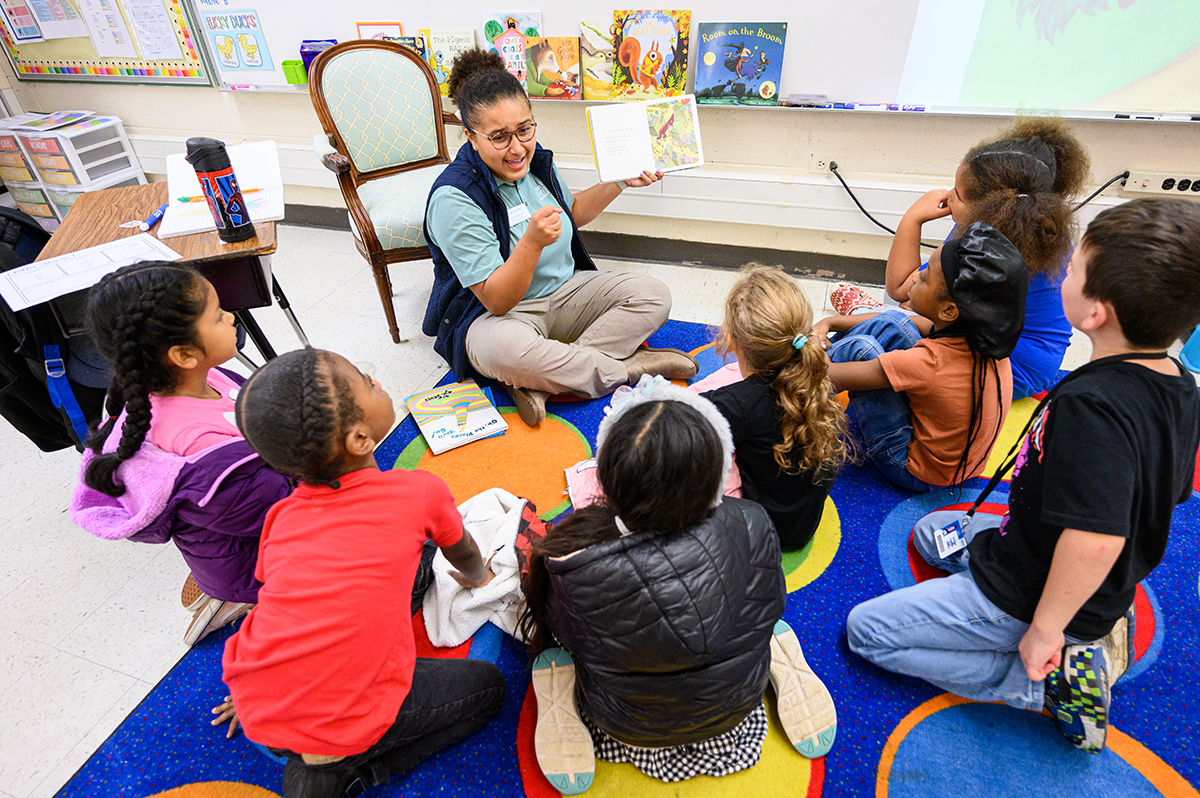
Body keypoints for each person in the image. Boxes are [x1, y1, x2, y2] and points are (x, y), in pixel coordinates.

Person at [846, 197, 1200, 753]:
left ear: (1094, 313)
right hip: (1047, 555)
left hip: (1033, 593)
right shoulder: (1176, 379)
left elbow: (1096, 537)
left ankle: (1044, 686)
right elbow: (1163, 497)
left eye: (1074, 267)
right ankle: (1096, 622)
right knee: (926, 534)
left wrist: (1045, 630)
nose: (1063, 272)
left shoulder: (1094, 409)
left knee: (868, 633)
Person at [216, 348, 505, 798]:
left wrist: (258, 687)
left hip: (255, 694)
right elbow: (464, 554)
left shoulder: (281, 517)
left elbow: (283, 598)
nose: (377, 381)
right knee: (489, 691)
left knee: (418, 562)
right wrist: (478, 579)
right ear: (360, 440)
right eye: (368, 382)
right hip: (344, 720)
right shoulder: (420, 491)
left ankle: (299, 735)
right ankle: (353, 771)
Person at [518, 382, 836, 792]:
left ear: (608, 484)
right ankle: (776, 666)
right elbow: (769, 598)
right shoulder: (753, 519)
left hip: (629, 725)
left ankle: (564, 702)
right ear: (717, 475)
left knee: (561, 650)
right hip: (737, 705)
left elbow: (567, 634)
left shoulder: (573, 561)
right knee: (762, 627)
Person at [424, 49, 698, 427]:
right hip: (497, 317)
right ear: (471, 137)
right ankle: (631, 368)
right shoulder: (454, 197)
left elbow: (574, 213)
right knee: (503, 351)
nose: (517, 148)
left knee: (654, 295)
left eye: (524, 129)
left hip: (566, 292)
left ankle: (544, 381)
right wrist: (531, 243)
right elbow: (498, 299)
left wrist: (620, 180)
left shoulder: (535, 163)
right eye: (499, 137)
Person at [69, 262, 291, 645]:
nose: (231, 318)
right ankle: (237, 601)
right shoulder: (198, 449)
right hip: (253, 563)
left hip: (242, 528)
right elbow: (284, 512)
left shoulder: (200, 377)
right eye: (219, 316)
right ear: (184, 354)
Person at [832, 117, 1089, 398]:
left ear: (991, 208)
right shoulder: (1022, 222)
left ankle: (863, 314)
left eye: (958, 194)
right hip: (1017, 351)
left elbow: (900, 287)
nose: (948, 197)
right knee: (915, 298)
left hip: (1008, 372)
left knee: (885, 329)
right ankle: (869, 315)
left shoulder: (994, 244)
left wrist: (912, 219)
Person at [815, 222, 1028, 492]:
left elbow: (829, 374)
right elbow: (898, 319)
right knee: (895, 321)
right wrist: (831, 323)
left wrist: (811, 342)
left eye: (924, 277)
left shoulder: (930, 363)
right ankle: (825, 349)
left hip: (914, 471)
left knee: (862, 349)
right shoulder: (981, 337)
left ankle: (790, 389)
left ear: (949, 311)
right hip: (962, 465)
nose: (915, 277)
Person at [700, 265, 849, 549]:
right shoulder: (813, 377)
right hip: (804, 522)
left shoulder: (735, 403)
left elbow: (676, 420)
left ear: (732, 342)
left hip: (764, 530)